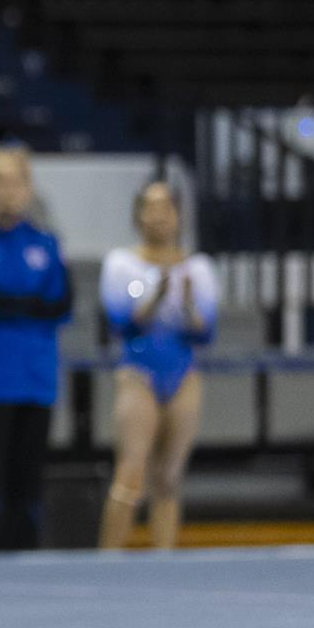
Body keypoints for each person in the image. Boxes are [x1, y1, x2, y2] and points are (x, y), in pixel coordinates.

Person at [0, 144, 70, 552]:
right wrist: (27, 306)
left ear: (28, 188)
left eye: (15, 181)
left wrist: (14, 306)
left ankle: (29, 561)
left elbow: (61, 305)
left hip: (37, 378)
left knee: (28, 481)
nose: (7, 190)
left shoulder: (47, 243)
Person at [97, 181, 216, 550]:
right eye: (150, 207)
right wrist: (156, 298)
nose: (159, 216)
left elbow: (205, 333)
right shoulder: (120, 264)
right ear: (138, 215)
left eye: (166, 208)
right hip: (138, 373)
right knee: (131, 474)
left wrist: (190, 306)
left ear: (178, 216)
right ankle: (108, 559)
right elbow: (120, 324)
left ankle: (165, 561)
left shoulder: (199, 268)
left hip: (182, 373)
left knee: (169, 476)